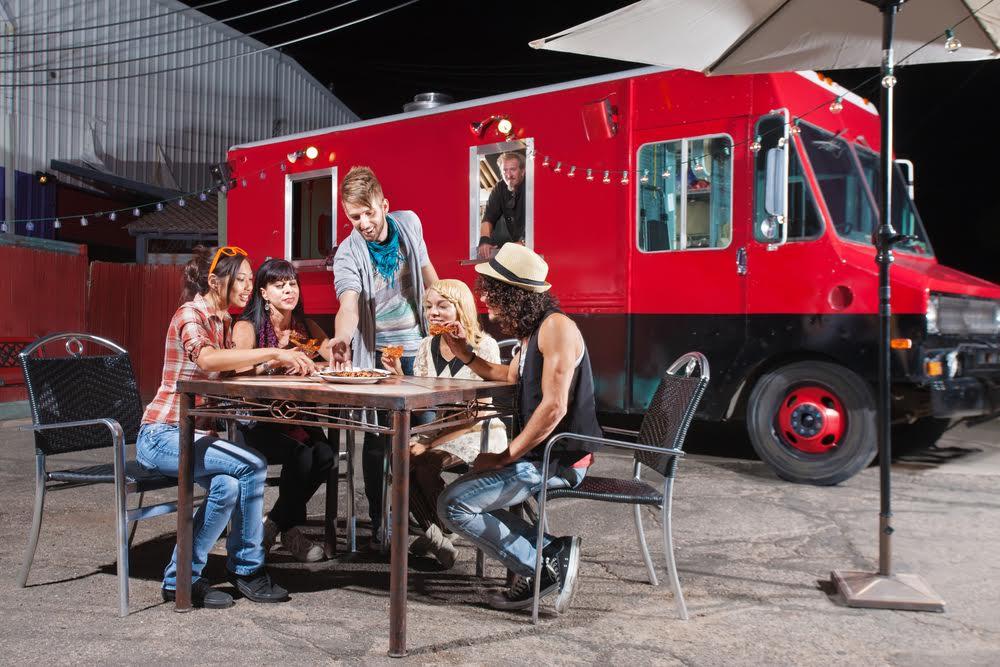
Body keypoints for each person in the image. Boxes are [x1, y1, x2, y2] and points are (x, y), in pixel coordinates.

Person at [136, 246, 317, 608]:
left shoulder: (224, 322)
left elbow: (233, 373)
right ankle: (247, 569)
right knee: (251, 464)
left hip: (194, 433)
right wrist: (273, 352)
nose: (248, 286)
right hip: (161, 434)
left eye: (251, 280)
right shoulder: (190, 314)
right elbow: (207, 359)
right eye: (242, 279)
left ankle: (180, 580)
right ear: (215, 281)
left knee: (228, 484)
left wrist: (279, 364)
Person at [437, 244, 602, 613]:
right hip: (538, 455)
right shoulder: (533, 333)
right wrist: (465, 352)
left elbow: (554, 407)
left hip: (559, 459)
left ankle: (541, 566)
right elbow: (506, 376)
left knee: (455, 504)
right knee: (457, 498)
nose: (485, 300)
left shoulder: (557, 328)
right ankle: (551, 551)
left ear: (513, 295)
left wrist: (504, 456)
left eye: (491, 292)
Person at [326, 165, 439, 546]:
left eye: (368, 213)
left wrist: (448, 309)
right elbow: (349, 304)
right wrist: (342, 338)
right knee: (378, 441)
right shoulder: (348, 253)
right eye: (354, 217)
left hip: (418, 350)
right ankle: (379, 520)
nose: (363, 223)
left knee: (425, 435)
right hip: (377, 357)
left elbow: (428, 275)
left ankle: (427, 517)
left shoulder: (409, 224)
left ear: (384, 205)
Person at [380, 279, 507, 567]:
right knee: (400, 459)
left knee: (425, 464)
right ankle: (437, 535)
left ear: (461, 308)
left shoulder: (484, 345)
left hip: (479, 430)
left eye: (442, 306)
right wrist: (398, 373)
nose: (433, 313)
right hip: (441, 428)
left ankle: (443, 529)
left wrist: (428, 444)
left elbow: (479, 413)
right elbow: (422, 396)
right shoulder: (428, 345)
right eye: (428, 307)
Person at [232, 258, 337, 563]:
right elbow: (238, 372)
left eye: (292, 284)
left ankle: (275, 524)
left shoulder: (305, 327)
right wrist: (275, 362)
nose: (289, 290)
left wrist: (322, 359)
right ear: (263, 293)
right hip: (257, 420)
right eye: (280, 286)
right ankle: (290, 531)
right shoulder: (247, 326)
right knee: (302, 454)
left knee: (326, 455)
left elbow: (332, 357)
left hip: (297, 416)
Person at [477, 152, 526, 258]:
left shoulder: (531, 185)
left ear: (522, 171)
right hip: (516, 245)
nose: (508, 175)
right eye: (505, 170)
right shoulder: (500, 188)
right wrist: (484, 240)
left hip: (535, 245)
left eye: (512, 169)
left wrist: (525, 242)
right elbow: (489, 216)